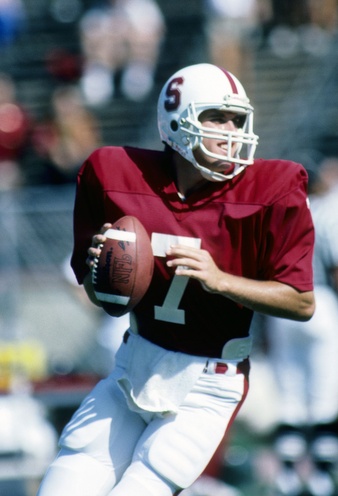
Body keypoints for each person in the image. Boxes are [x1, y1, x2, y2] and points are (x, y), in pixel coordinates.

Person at [36, 63, 315, 496]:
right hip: (134, 364)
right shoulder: (116, 175)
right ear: (177, 123)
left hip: (209, 383)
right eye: (216, 117)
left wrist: (221, 280)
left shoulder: (270, 189)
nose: (230, 129)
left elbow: (301, 301)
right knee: (65, 481)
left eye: (237, 119)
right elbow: (102, 299)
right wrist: (100, 274)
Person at [266, 162, 338, 496]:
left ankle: (289, 476)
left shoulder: (275, 216)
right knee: (323, 398)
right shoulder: (326, 213)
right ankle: (322, 477)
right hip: (319, 301)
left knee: (291, 397)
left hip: (279, 306)